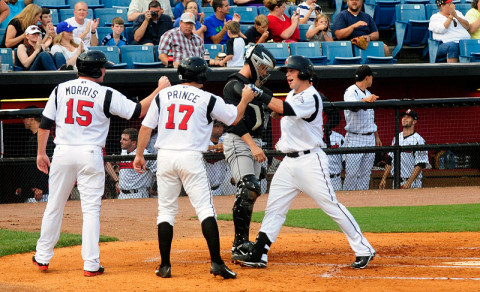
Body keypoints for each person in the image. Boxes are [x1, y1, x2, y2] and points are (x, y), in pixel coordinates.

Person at [32, 50, 171, 276]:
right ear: (97, 70)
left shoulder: (60, 89)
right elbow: (137, 111)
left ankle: (42, 256)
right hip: (90, 153)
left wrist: (40, 152)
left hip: (63, 152)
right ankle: (91, 264)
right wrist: (159, 90)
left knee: (54, 205)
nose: (105, 70)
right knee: (90, 210)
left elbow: (45, 124)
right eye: (103, 67)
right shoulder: (105, 93)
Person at [231, 55, 376, 269]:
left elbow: (285, 110)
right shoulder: (292, 94)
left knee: (330, 205)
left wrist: (258, 92)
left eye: (291, 71)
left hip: (310, 161)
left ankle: (364, 248)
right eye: (286, 71)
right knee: (274, 208)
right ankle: (260, 254)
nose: (287, 75)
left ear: (305, 74)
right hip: (289, 163)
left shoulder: (311, 96)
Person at [132, 56, 256, 279]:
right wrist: (245, 99)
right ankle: (217, 263)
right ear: (201, 75)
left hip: (165, 157)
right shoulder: (207, 98)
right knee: (205, 210)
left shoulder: (163, 95)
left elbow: (145, 127)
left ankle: (165, 266)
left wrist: (139, 154)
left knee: (166, 211)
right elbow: (235, 117)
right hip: (190, 157)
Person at [222, 44, 276, 259]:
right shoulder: (234, 85)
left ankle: (243, 240)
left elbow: (268, 99)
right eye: (263, 68)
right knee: (248, 187)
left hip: (255, 142)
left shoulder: (254, 88)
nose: (265, 73)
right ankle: (239, 244)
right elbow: (234, 122)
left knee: (251, 191)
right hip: (239, 140)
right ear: (255, 63)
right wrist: (252, 146)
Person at [342, 65, 382, 191]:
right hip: (355, 137)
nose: (372, 79)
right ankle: (348, 200)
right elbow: (352, 107)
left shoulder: (368, 93)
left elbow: (371, 118)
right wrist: (366, 100)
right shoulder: (351, 91)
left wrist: (376, 136)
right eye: (371, 76)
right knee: (352, 174)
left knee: (366, 174)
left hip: (369, 137)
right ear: (367, 77)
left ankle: (363, 201)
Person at [379, 109, 429, 189]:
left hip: (413, 182)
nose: (404, 119)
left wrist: (409, 182)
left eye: (408, 117)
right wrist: (383, 178)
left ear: (414, 121)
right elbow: (390, 159)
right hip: (396, 181)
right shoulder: (397, 138)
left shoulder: (419, 140)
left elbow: (420, 164)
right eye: (403, 117)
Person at [18, 106, 55, 203]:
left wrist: (41, 188)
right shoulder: (31, 139)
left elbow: (49, 164)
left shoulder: (46, 139)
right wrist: (23, 187)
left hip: (44, 193)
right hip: (31, 193)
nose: (23, 120)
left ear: (31, 118)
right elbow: (28, 168)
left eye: (25, 118)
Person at [117, 128, 156, 199]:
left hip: (138, 194)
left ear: (133, 142)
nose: (121, 141)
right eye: (121, 138)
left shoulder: (145, 154)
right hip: (122, 194)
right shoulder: (123, 151)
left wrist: (154, 188)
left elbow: (159, 171)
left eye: (124, 140)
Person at [205, 121, 230, 196]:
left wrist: (225, 147)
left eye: (221, 126)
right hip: (203, 189)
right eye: (216, 126)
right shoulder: (203, 140)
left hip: (218, 188)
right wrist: (214, 147)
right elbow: (196, 147)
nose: (219, 129)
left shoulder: (225, 139)